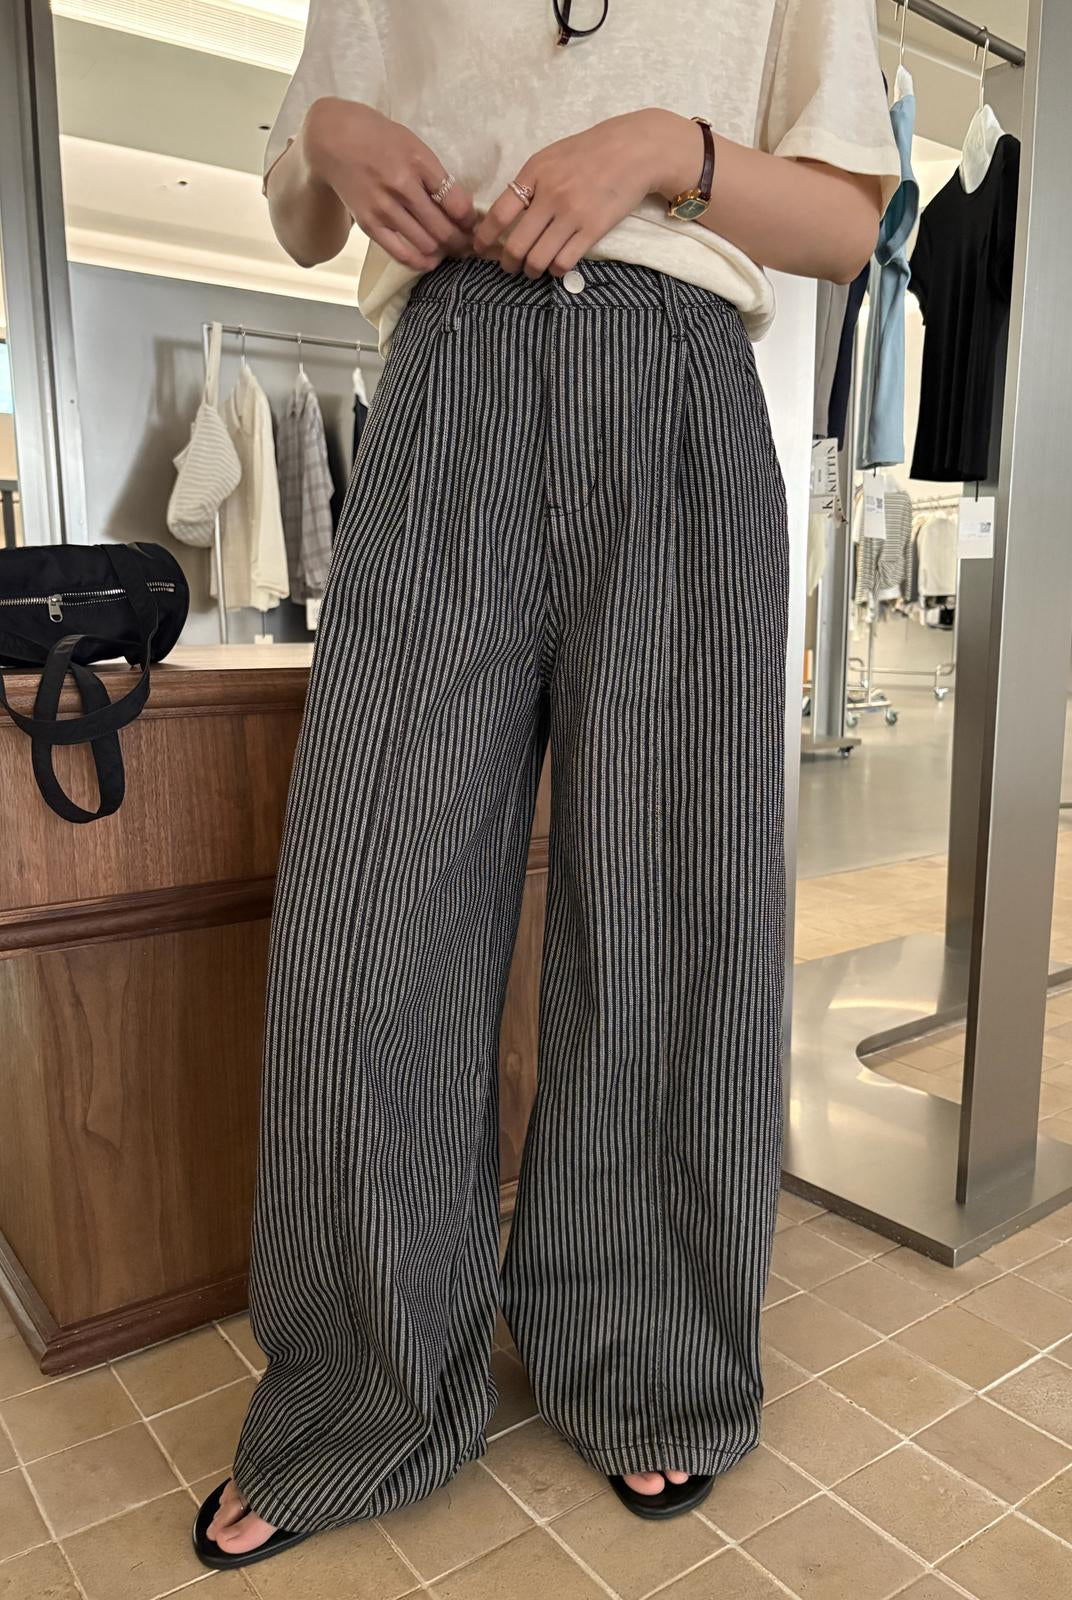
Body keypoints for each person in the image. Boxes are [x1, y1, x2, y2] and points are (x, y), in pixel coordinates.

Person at [193, 0, 900, 1567]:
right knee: (371, 918)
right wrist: (333, 134)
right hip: (446, 375)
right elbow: (305, 205)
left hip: (680, 384)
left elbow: (847, 225)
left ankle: (650, 1355)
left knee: (675, 906)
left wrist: (662, 149)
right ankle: (358, 1391)